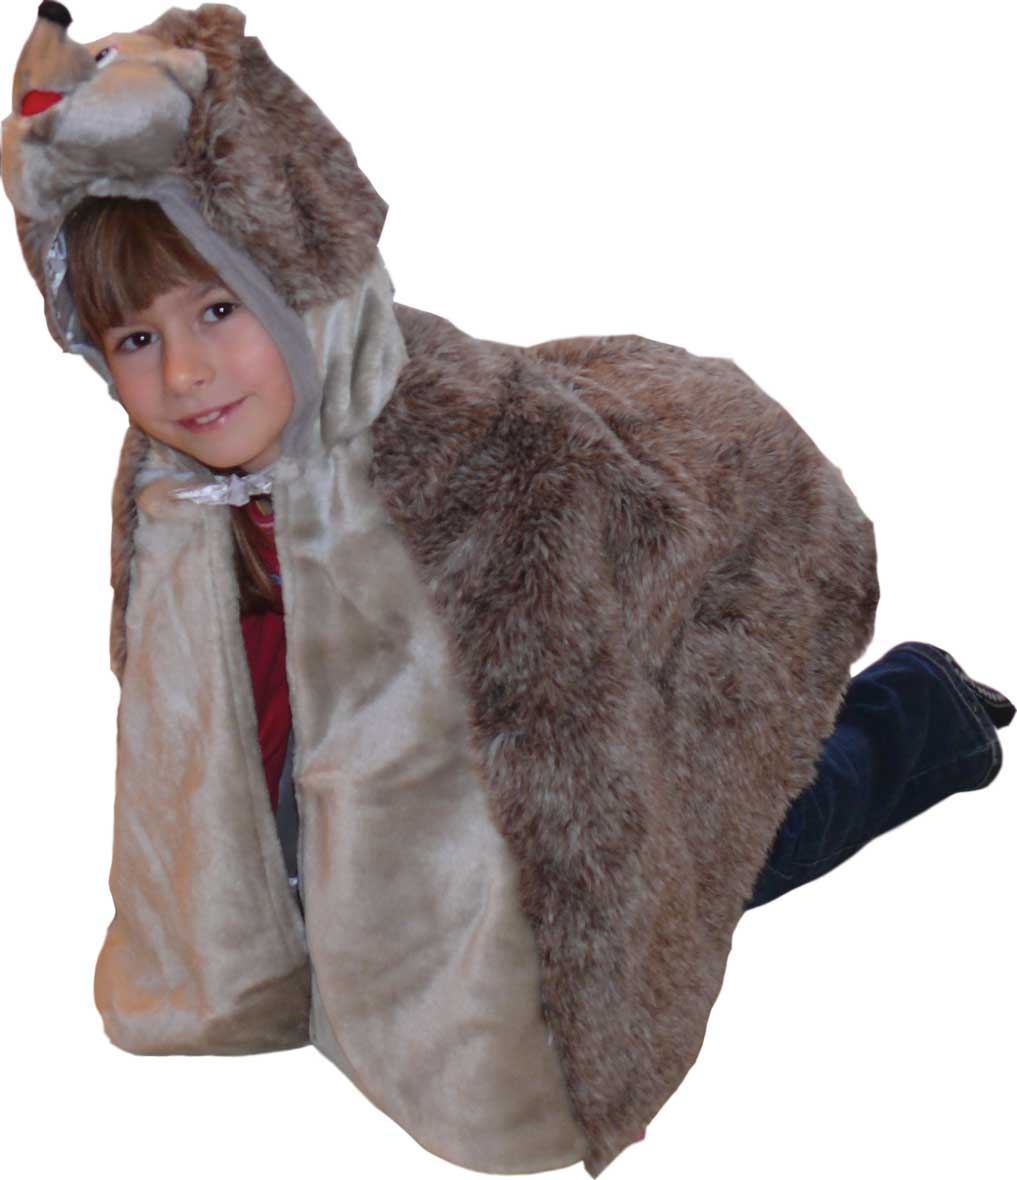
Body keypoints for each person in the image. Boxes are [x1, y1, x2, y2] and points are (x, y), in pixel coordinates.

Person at [2, 5, 1011, 1176]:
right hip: (427, 702)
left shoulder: (479, 466)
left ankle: (920, 709)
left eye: (220, 310)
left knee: (727, 851)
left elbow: (584, 775)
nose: (183, 373)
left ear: (297, 279)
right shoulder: (175, 487)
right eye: (134, 339)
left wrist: (582, 1009)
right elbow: (217, 702)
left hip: (675, 609)